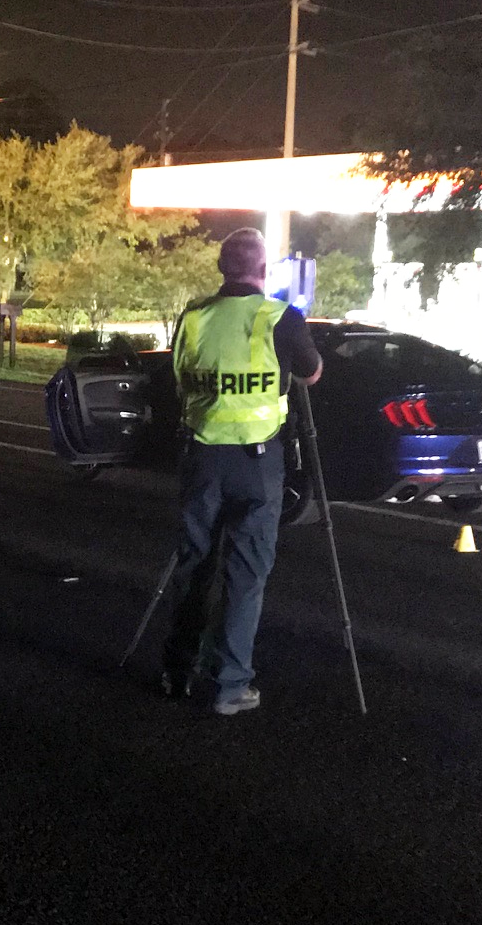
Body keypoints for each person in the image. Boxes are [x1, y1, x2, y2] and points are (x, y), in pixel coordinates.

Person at [160, 227, 322, 716]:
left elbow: (179, 378)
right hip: (257, 463)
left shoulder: (193, 317)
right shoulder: (280, 317)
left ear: (221, 269)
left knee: (195, 565)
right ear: (263, 270)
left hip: (203, 458)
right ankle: (230, 686)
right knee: (247, 573)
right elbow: (311, 372)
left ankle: (177, 672)